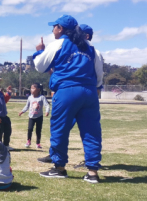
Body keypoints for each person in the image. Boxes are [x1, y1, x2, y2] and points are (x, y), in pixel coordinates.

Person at [33, 15, 103, 183]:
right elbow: (99, 77)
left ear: (61, 29)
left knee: (60, 130)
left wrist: (40, 50)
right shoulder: (91, 47)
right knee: (92, 132)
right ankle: (92, 172)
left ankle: (59, 168)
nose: (52, 30)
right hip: (90, 92)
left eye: (54, 27)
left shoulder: (58, 44)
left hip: (67, 91)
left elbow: (40, 66)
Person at [18, 83, 50, 149]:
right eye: (31, 88)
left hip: (39, 117)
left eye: (33, 88)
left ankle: (38, 143)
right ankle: (28, 141)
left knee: (38, 130)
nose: (31, 89)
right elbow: (27, 106)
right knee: (30, 129)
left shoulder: (42, 97)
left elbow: (46, 105)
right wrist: (22, 111)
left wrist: (47, 111)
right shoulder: (30, 97)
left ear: (38, 89)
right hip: (31, 117)